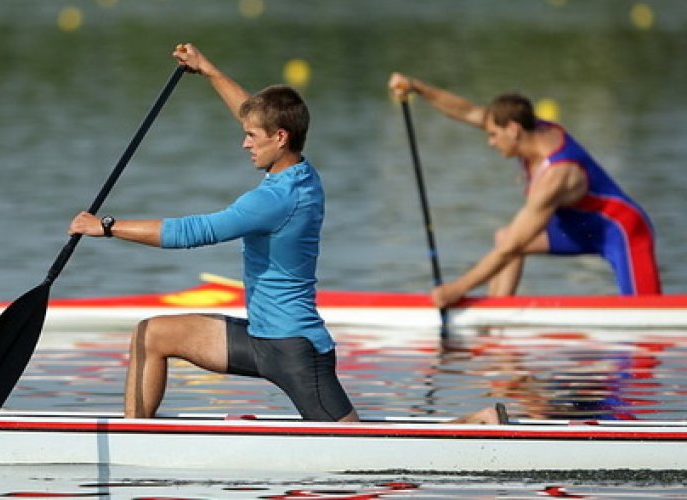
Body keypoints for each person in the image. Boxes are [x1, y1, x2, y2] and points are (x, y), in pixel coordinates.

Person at [69, 44, 505, 424]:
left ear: (279, 138)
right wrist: (210, 70)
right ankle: (137, 438)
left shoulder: (275, 200)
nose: (244, 144)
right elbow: (253, 113)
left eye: (251, 137)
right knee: (153, 334)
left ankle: (476, 421)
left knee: (359, 452)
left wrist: (106, 227)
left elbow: (194, 231)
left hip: (293, 350)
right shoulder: (300, 169)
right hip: (262, 337)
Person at [388, 73, 662, 308]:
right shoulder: (528, 130)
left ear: (513, 130)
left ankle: (486, 312)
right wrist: (416, 87)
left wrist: (456, 290)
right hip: (579, 228)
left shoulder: (556, 177)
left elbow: (511, 249)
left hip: (622, 232)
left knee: (649, 318)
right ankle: (495, 319)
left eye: (494, 135)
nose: (490, 141)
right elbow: (468, 111)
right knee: (505, 236)